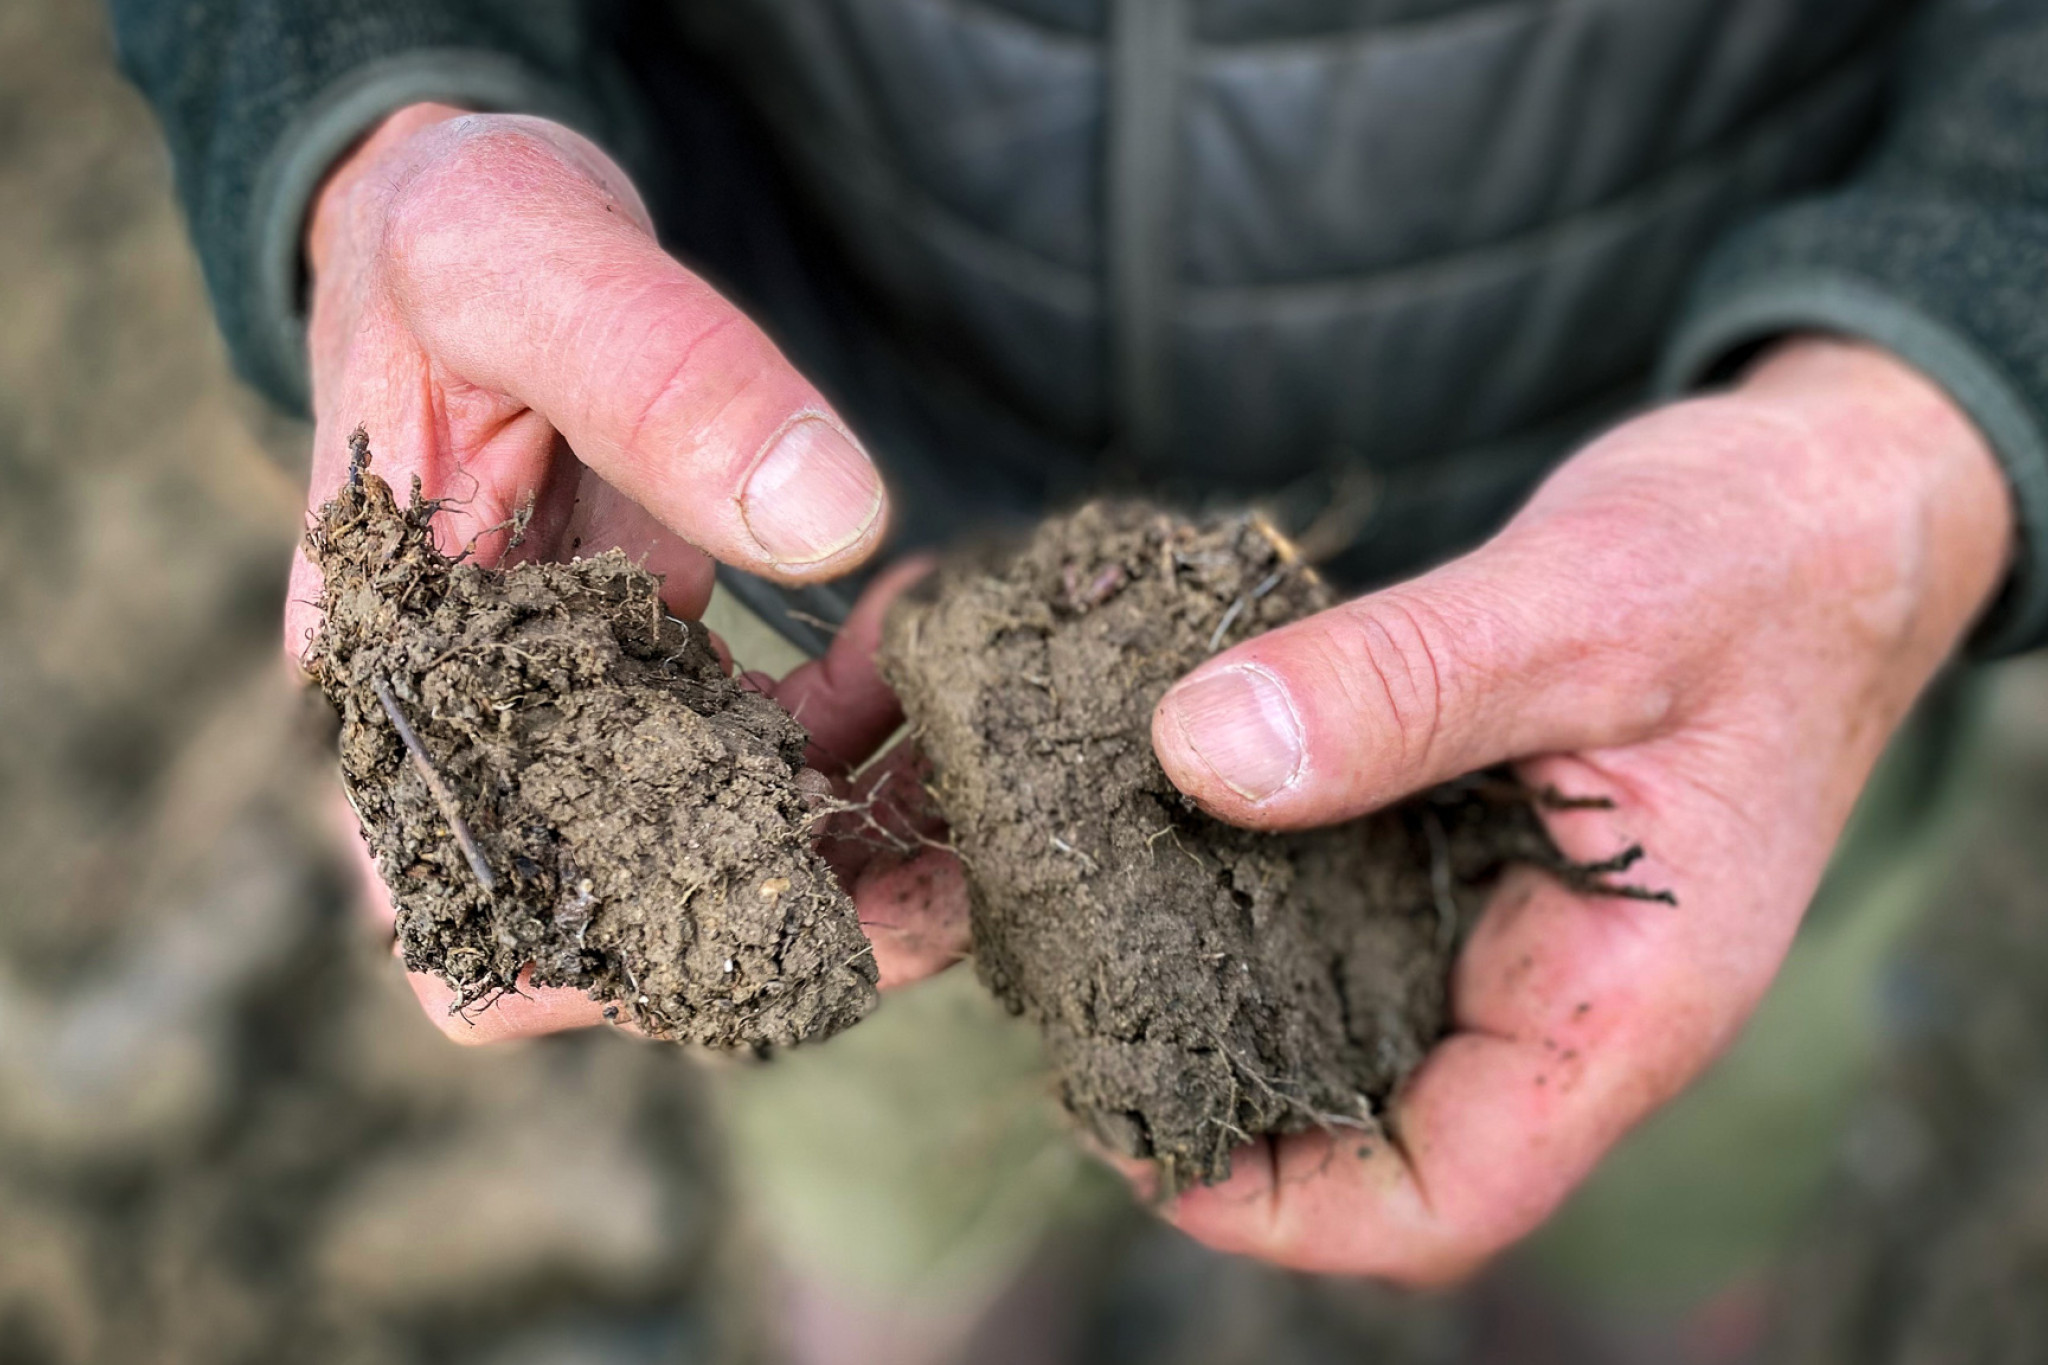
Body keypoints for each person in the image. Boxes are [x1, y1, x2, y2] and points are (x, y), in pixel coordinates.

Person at [110, 0, 2048, 1288]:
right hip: (823, 595)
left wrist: (1932, 397)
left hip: (1713, 609)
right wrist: (378, 101)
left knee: (1662, 1212)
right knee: (895, 1200)